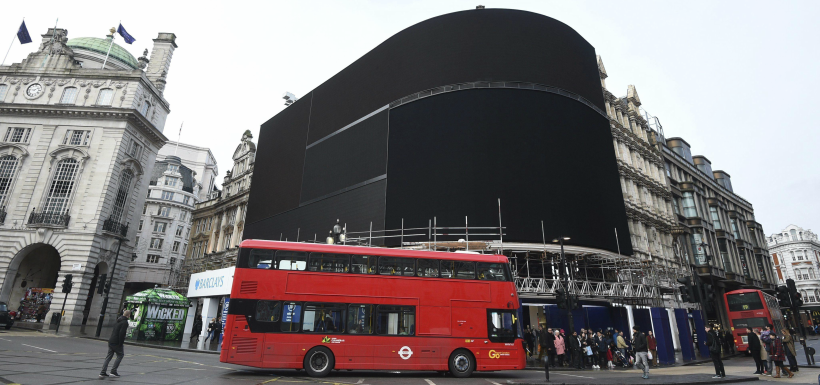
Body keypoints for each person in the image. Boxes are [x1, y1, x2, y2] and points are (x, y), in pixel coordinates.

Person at [99, 309, 131, 378]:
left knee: (108, 357)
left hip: (111, 340)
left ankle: (102, 372)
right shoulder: (124, 322)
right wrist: (120, 343)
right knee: (120, 355)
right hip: (116, 342)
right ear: (128, 315)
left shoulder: (118, 320)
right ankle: (113, 371)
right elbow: (121, 333)